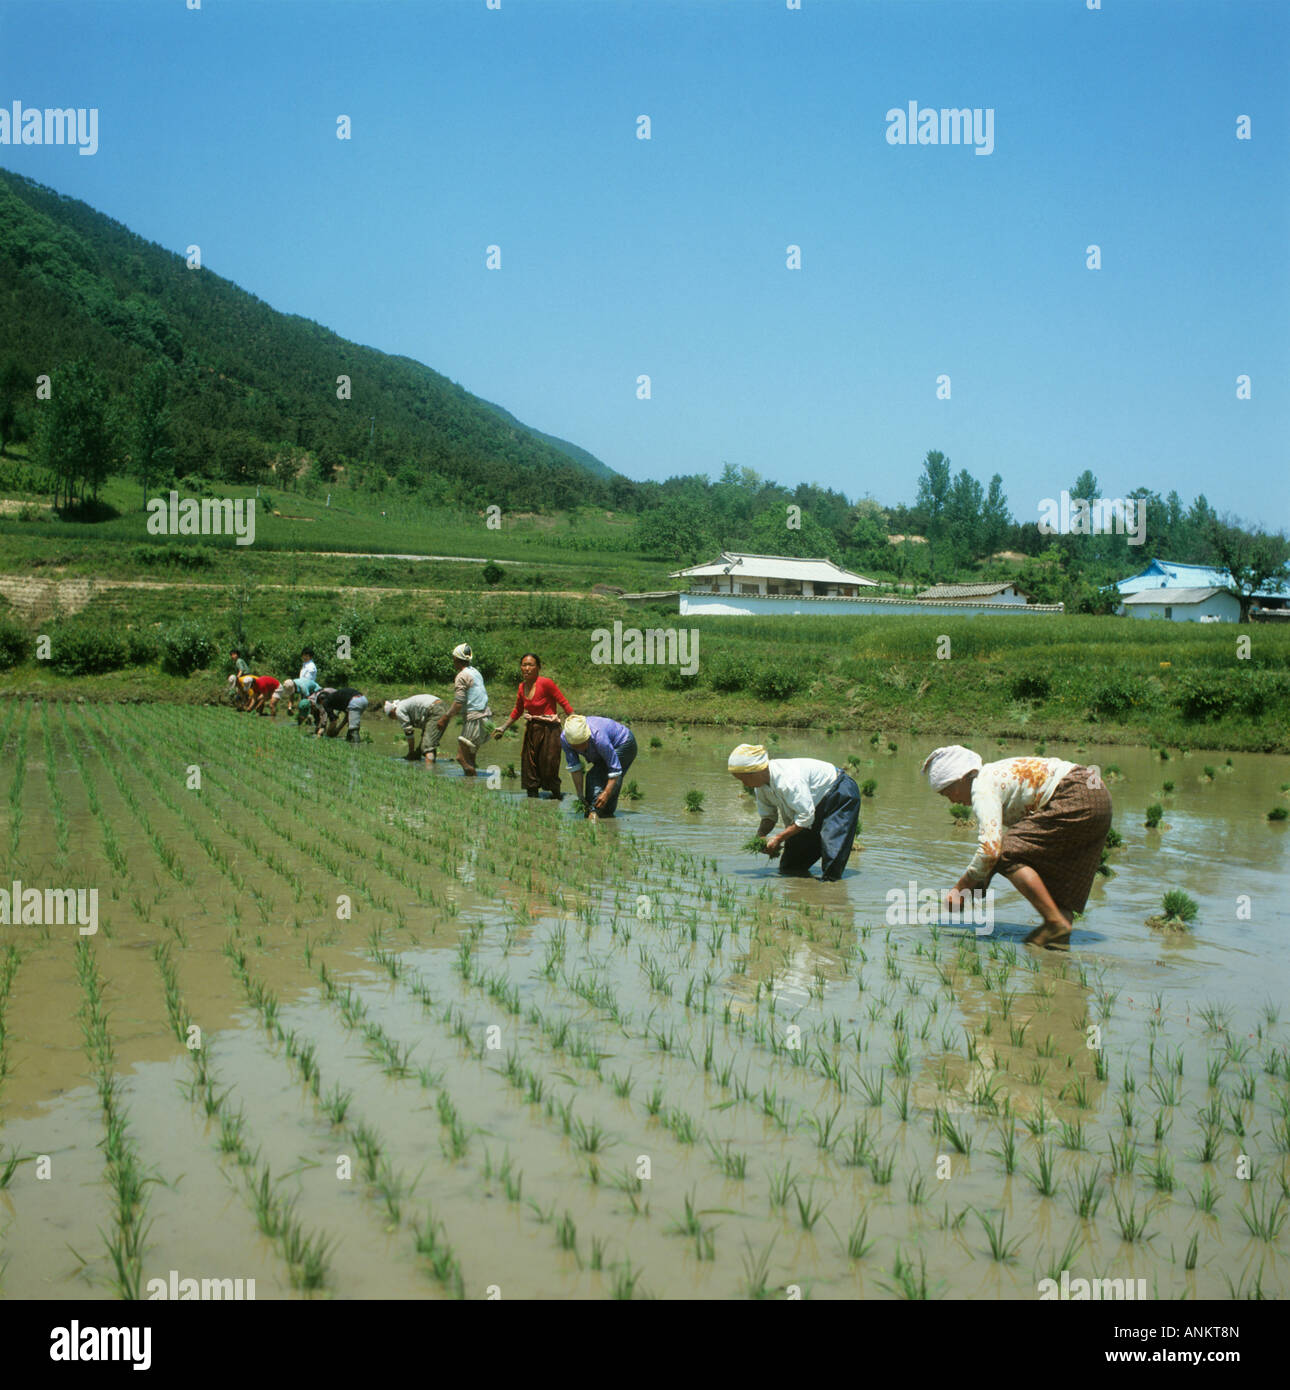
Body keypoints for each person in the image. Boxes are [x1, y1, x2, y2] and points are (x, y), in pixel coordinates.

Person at [920, 746, 1112, 949]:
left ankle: (1055, 923)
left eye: (947, 792)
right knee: (1056, 878)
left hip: (1075, 792)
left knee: (1006, 852)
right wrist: (982, 880)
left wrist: (960, 888)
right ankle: (1057, 945)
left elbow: (991, 849)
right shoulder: (997, 775)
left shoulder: (981, 786)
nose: (951, 800)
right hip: (1097, 793)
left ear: (962, 777)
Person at [727, 744, 860, 881]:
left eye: (743, 779)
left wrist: (778, 838)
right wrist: (760, 836)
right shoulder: (759, 786)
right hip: (811, 806)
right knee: (790, 866)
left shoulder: (787, 779)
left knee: (832, 852)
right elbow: (769, 817)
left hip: (839, 792)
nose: (744, 783)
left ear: (757, 770)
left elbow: (806, 817)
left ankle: (831, 890)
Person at [492, 654, 574, 798]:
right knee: (529, 768)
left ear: (538, 668)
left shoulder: (546, 683)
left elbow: (564, 702)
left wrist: (577, 722)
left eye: (531, 665)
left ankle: (556, 797)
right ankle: (532, 801)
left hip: (550, 731)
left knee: (549, 766)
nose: (527, 668)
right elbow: (517, 710)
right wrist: (503, 727)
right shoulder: (521, 687)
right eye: (524, 665)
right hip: (532, 730)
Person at [562, 714, 636, 819]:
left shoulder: (599, 737)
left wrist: (606, 793)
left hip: (624, 744)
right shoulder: (565, 739)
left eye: (582, 744)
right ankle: (600, 814)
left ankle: (598, 813)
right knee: (595, 777)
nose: (580, 748)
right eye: (575, 746)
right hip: (604, 749)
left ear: (587, 737)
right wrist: (580, 794)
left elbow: (614, 770)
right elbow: (575, 767)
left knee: (596, 776)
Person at [435, 644, 491, 776]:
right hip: (486, 717)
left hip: (474, 718)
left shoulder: (461, 676)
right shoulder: (476, 672)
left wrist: (445, 717)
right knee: (471, 758)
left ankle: (472, 780)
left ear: (455, 659)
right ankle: (471, 787)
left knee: (461, 758)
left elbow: (458, 703)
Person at [384, 694, 447, 761]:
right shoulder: (404, 705)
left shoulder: (399, 710)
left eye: (391, 717)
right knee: (423, 748)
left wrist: (411, 752)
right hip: (440, 706)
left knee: (427, 746)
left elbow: (409, 732)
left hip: (434, 710)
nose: (394, 719)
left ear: (392, 712)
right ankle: (432, 767)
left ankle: (429, 770)